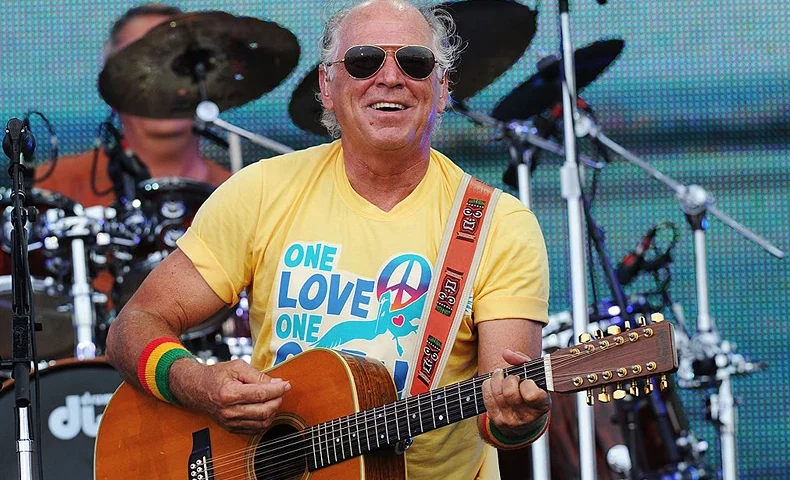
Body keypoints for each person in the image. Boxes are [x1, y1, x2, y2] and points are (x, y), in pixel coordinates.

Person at [105, 1, 552, 478]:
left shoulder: (499, 224)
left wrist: (517, 418)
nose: (390, 78)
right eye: (364, 61)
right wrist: (198, 384)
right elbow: (133, 326)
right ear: (326, 86)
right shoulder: (261, 191)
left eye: (415, 63)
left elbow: (501, 413)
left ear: (442, 89)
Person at [33, 3, 230, 206]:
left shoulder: (243, 199)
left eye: (179, 63)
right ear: (110, 87)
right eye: (140, 63)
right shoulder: (50, 188)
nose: (162, 80)